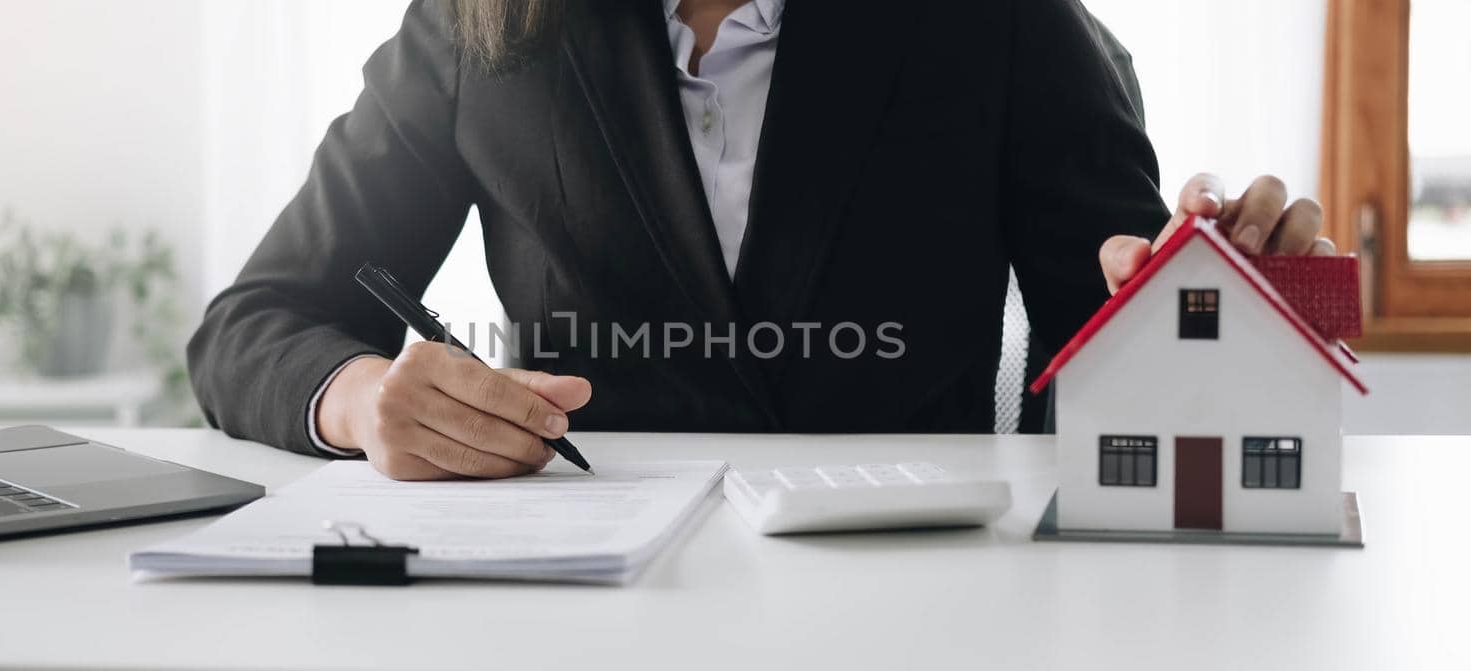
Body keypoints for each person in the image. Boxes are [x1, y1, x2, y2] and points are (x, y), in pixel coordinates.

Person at [189, 0, 1335, 481]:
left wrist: (1225, 311)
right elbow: (254, 323)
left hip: (921, 609)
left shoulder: (998, 17)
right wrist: (360, 396)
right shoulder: (478, 23)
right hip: (578, 615)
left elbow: (1119, 349)